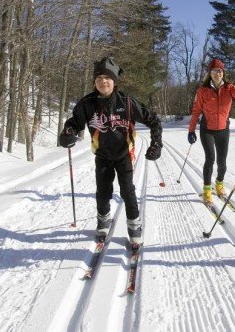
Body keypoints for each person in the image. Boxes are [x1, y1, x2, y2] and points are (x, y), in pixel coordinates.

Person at [59, 56, 162, 245]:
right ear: (94, 82)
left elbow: (153, 120)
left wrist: (156, 144)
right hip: (102, 156)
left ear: (114, 81)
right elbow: (74, 123)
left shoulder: (127, 102)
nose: (103, 82)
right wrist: (67, 133)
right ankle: (103, 221)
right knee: (103, 192)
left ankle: (134, 225)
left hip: (124, 155)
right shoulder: (87, 103)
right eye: (99, 79)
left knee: (128, 191)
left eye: (107, 78)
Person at [188, 58, 235, 204]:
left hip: (223, 130)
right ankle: (206, 190)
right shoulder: (203, 91)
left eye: (220, 70)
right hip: (207, 130)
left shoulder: (229, 88)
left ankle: (219, 184)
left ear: (223, 72)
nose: (217, 73)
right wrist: (191, 130)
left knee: (222, 162)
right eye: (214, 71)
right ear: (210, 73)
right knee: (210, 159)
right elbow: (196, 110)